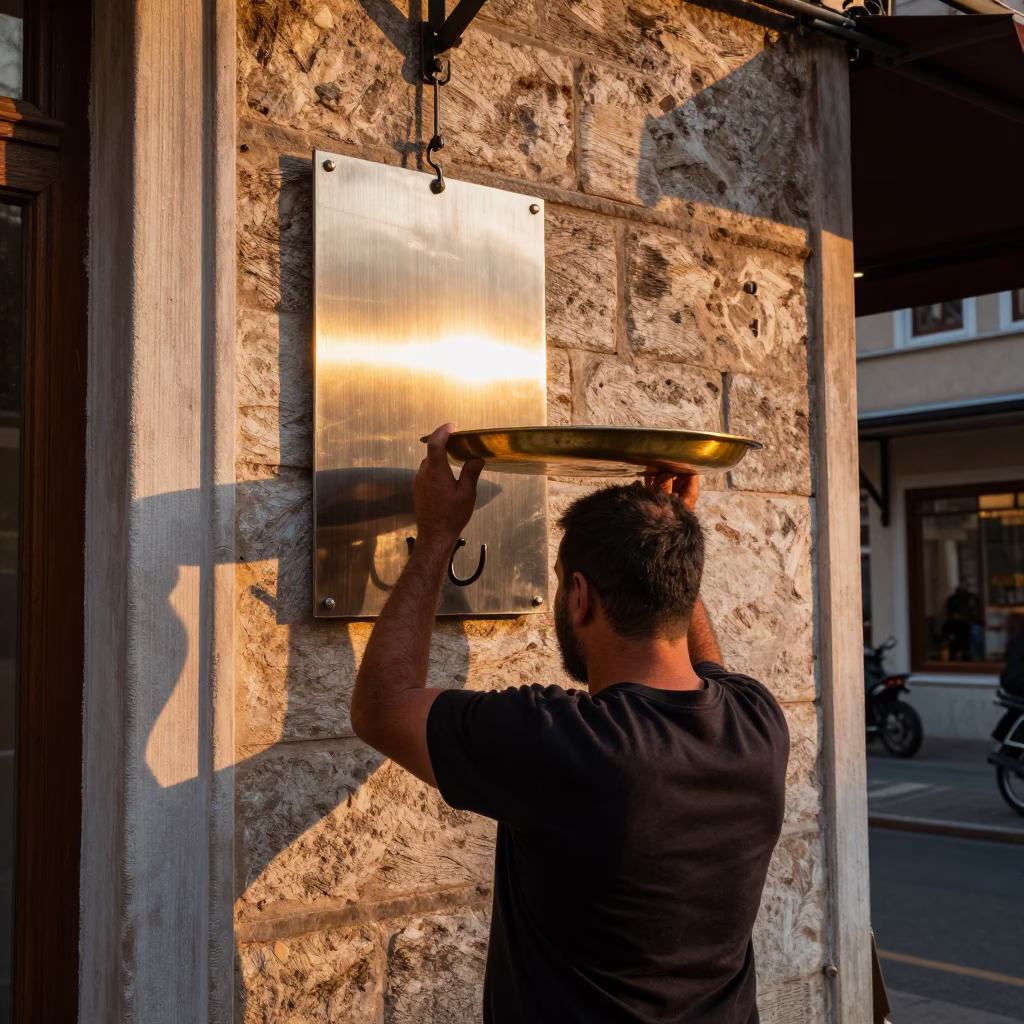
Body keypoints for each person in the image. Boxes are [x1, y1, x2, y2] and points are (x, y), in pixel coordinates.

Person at [351, 424, 790, 1024]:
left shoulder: (566, 744)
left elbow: (381, 707)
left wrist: (436, 537)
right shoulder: (757, 721)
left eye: (560, 583)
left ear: (579, 596)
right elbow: (705, 663)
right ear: (681, 590)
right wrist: (667, 538)